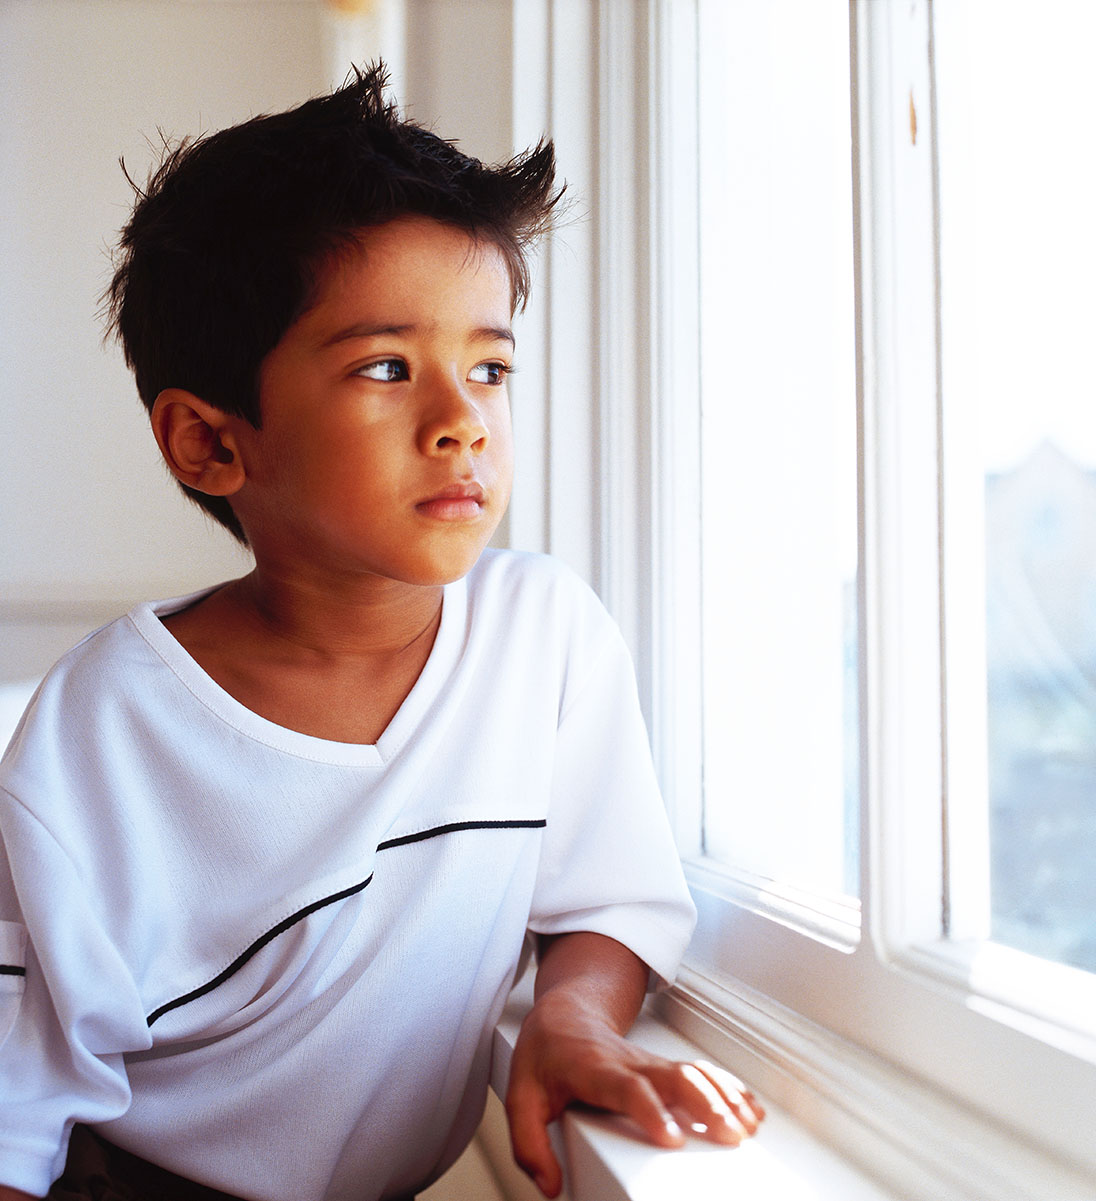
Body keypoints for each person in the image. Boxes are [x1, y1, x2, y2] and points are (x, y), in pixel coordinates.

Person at [0, 64, 762, 1201]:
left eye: (490, 366)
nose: (463, 423)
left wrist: (575, 1020)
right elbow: (21, 1075)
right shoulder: (105, 719)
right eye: (387, 367)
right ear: (211, 442)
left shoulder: (541, 637)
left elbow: (607, 899)